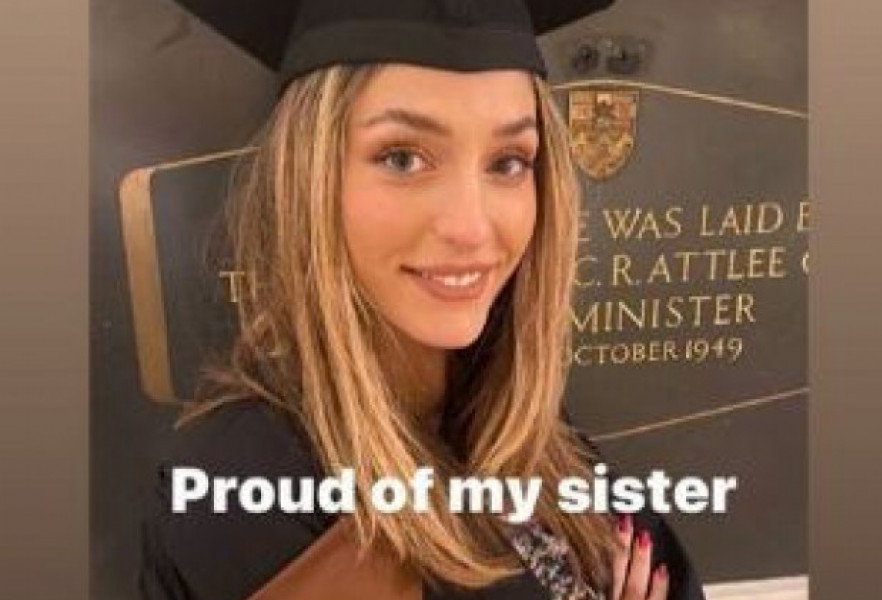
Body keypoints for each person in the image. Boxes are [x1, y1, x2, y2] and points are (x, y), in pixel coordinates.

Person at [140, 1, 705, 599]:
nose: (471, 227)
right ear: (308, 179)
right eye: (402, 158)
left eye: (508, 162)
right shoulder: (244, 493)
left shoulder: (492, 401)